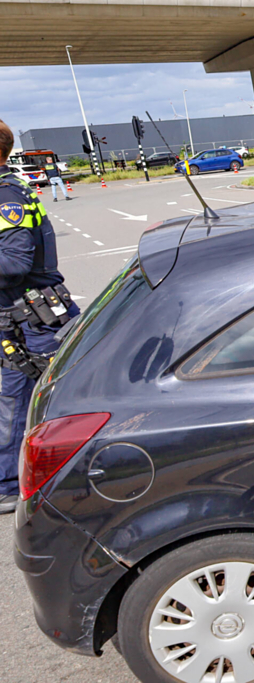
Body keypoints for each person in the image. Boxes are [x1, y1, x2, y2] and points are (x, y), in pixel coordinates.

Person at [0, 119, 79, 514]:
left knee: (26, 401)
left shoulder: (5, 197)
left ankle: (11, 485)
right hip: (32, 316)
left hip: (33, 320)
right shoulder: (9, 190)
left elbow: (14, 263)